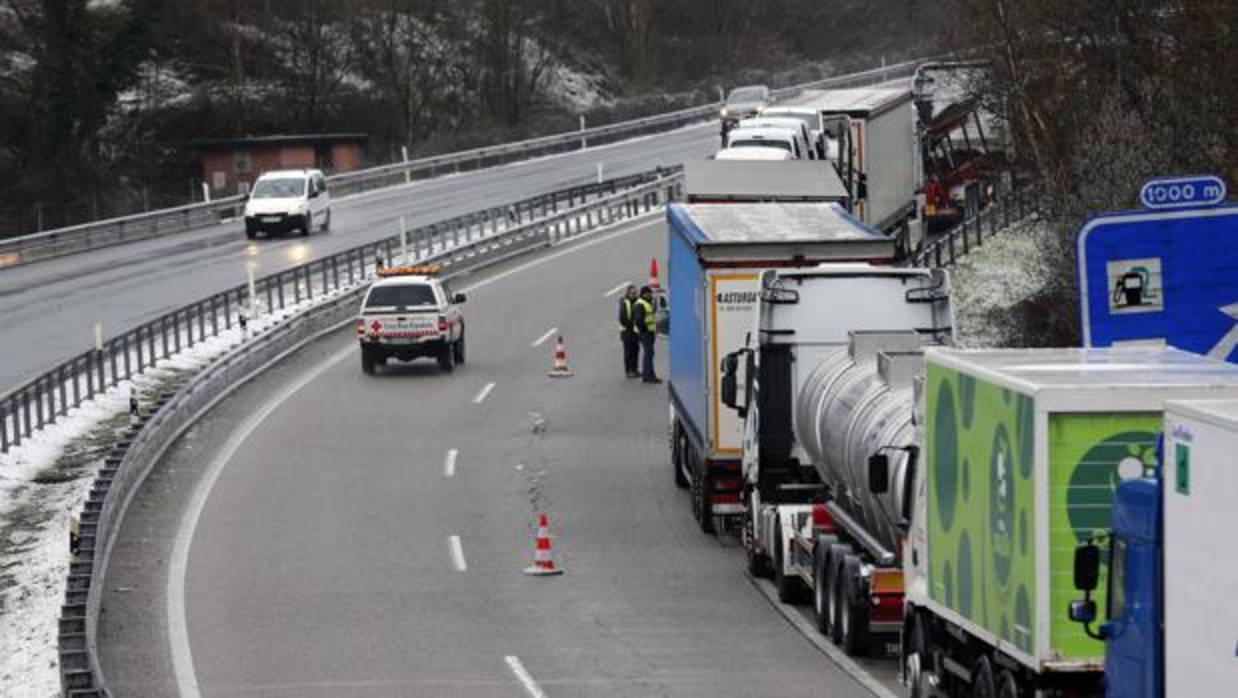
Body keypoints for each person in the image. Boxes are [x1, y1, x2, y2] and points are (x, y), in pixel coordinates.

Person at [633, 286, 661, 384]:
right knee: (648, 354)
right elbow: (639, 320)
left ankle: (647, 375)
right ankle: (649, 377)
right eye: (649, 293)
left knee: (649, 354)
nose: (651, 295)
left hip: (648, 332)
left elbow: (651, 313)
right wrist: (645, 331)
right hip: (645, 333)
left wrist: (655, 302)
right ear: (644, 293)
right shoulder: (640, 304)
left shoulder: (646, 302)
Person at [618, 284, 640, 378]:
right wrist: (632, 326)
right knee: (629, 352)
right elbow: (622, 319)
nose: (634, 294)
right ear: (628, 293)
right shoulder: (625, 302)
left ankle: (635, 369)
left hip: (635, 331)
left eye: (635, 293)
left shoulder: (637, 301)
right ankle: (629, 371)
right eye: (632, 293)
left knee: (636, 350)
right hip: (627, 331)